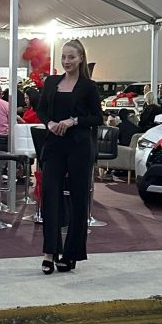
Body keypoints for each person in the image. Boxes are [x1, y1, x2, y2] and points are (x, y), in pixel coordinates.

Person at [37, 39, 102, 275]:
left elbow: (98, 117)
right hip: (54, 145)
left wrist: (73, 121)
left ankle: (71, 253)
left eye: (71, 57)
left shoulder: (89, 86)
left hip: (79, 147)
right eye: (64, 57)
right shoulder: (52, 82)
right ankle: (49, 252)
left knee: (78, 200)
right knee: (50, 196)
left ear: (81, 58)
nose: (67, 61)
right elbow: (41, 109)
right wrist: (50, 123)